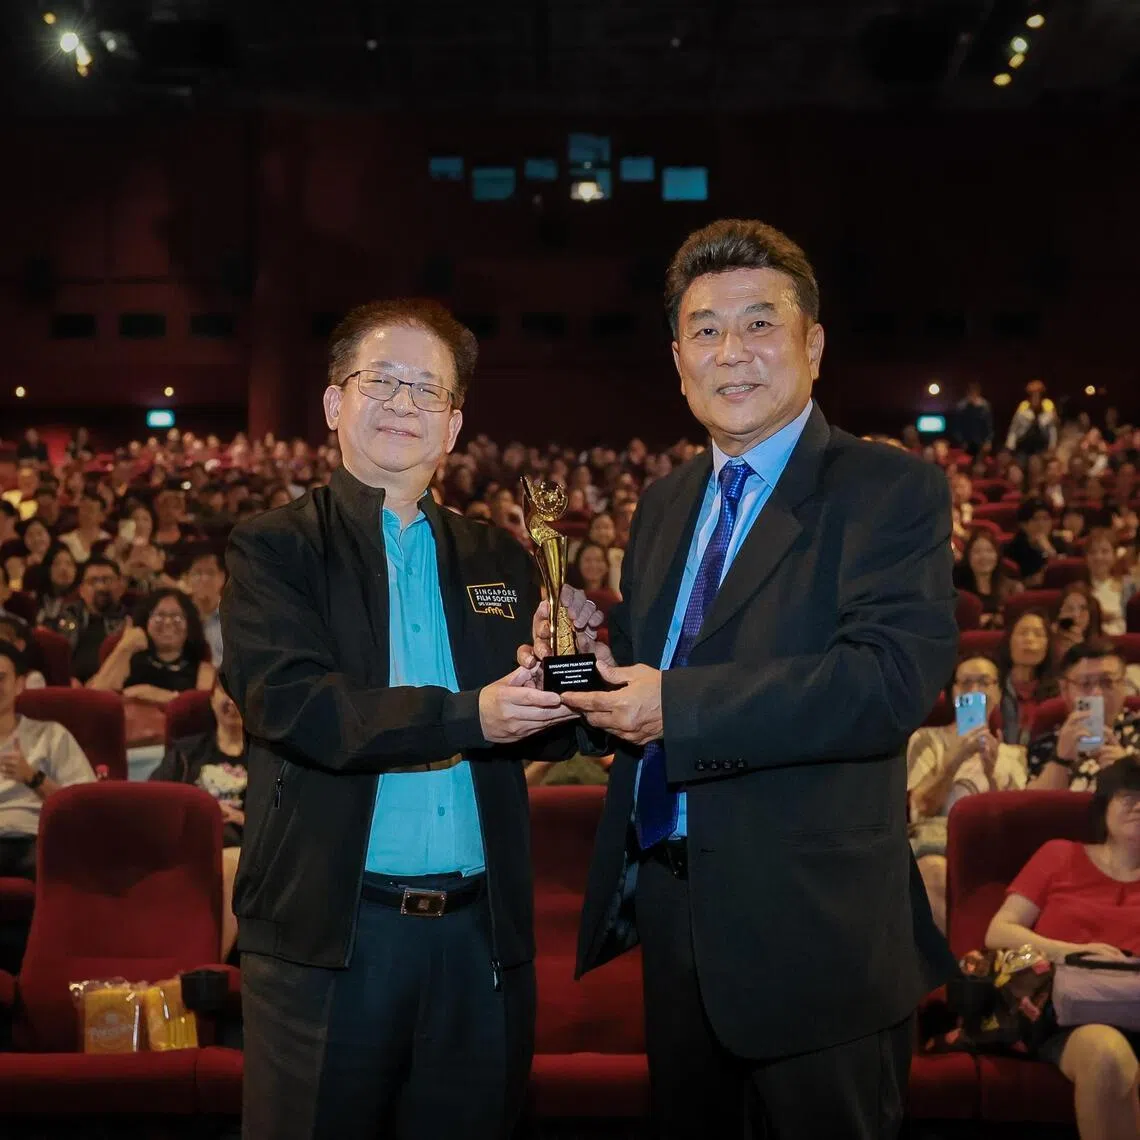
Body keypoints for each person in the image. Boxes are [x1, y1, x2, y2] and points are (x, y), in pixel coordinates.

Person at [525, 219, 958, 1139]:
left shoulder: (888, 490)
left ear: (814, 346)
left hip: (818, 937)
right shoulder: (666, 501)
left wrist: (673, 708)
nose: (733, 352)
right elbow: (647, 672)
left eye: (760, 324)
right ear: (678, 362)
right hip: (676, 917)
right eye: (707, 330)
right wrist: (577, 672)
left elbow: (887, 683)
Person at [220, 298, 585, 1140]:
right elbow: (296, 705)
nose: (402, 404)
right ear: (333, 403)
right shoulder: (276, 548)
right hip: (330, 938)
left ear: (454, 425)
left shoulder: (499, 556)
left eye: (428, 390)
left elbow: (551, 722)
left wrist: (573, 668)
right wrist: (469, 716)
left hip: (478, 942)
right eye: (379, 380)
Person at [986, 756, 1140, 1140]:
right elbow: (999, 932)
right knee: (1106, 1056)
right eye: (1128, 796)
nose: (1139, 806)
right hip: (1067, 1015)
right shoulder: (1059, 855)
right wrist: (1070, 951)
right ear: (1104, 804)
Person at [906, 656, 1026, 931]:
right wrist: (954, 760)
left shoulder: (1014, 754)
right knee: (934, 870)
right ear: (953, 692)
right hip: (937, 837)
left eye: (984, 682)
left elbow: (1013, 822)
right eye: (965, 683)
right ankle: (963, 956)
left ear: (998, 692)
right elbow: (920, 808)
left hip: (991, 841)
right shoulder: (925, 739)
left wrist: (991, 773)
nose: (974, 691)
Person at [150, 678, 246, 960]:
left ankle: (209, 964)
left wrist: (242, 817)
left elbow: (281, 817)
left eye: (237, 693)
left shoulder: (268, 759)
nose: (230, 701)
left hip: (239, 846)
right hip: (185, 842)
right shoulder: (185, 752)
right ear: (212, 698)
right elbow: (152, 800)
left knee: (231, 862)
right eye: (223, 691)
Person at [0, 643, 95, 879]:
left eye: (0, 678)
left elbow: (85, 806)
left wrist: (33, 778)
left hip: (34, 840)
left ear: (19, 684)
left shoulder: (51, 735)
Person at [1027, 640, 1139, 791]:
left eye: (1107, 682)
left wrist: (1129, 771)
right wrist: (1060, 760)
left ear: (1123, 686)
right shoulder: (1046, 744)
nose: (1097, 693)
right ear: (1064, 689)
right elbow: (1035, 804)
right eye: (1085, 684)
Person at [88, 589, 214, 703]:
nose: (168, 622)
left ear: (189, 625)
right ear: (146, 621)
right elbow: (95, 700)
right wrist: (125, 646)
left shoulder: (201, 667)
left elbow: (205, 708)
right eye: (159, 616)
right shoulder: (129, 657)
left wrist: (159, 695)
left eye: (177, 617)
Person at [45, 557, 129, 684]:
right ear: (82, 590)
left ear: (120, 587)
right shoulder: (66, 617)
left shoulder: (131, 622)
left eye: (107, 580)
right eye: (93, 581)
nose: (101, 587)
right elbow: (53, 660)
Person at [997, 610, 1055, 746]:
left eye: (1038, 634)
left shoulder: (1060, 692)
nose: (1029, 639)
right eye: (1023, 633)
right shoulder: (991, 686)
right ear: (1009, 641)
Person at [953, 528, 1021, 627]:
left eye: (989, 551)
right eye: (977, 552)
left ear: (997, 555)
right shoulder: (956, 590)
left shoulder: (1013, 588)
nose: (984, 557)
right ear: (968, 556)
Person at [1085, 527, 1136, 637]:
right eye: (1093, 552)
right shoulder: (1078, 590)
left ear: (1114, 555)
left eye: (1105, 551)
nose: (1098, 557)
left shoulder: (1129, 586)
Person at [184, 550, 226, 668]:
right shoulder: (179, 616)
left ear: (222, 578)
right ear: (187, 578)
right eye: (197, 573)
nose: (204, 579)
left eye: (210, 573)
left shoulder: (235, 616)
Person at [1005, 498, 1058, 586]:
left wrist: (1049, 551)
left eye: (1046, 519)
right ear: (1023, 525)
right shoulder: (1013, 549)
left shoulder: (1060, 543)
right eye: (1035, 519)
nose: (1041, 525)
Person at [1051, 582, 1103, 668]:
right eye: (1069, 608)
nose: (1076, 615)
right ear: (1059, 614)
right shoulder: (1048, 645)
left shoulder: (1102, 649)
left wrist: (1080, 649)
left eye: (1083, 609)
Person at [1005, 379, 1058, 460]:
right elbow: (1013, 429)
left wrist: (1052, 447)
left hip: (1042, 447)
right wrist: (1010, 447)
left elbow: (1052, 431)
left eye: (1038, 394)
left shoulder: (1048, 409)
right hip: (1023, 446)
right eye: (1033, 395)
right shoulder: (1023, 408)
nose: (1035, 397)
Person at [59, 489, 111, 565]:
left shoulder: (109, 541)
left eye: (90, 510)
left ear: (102, 516)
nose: (85, 513)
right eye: (83, 509)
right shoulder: (65, 541)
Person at [30, 545, 78, 626]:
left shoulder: (81, 600)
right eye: (57, 564)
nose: (64, 569)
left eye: (69, 564)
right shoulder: (34, 599)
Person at [952, 381, 994, 456]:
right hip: (966, 442)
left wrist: (988, 441)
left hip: (981, 442)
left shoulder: (985, 406)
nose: (973, 396)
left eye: (975, 393)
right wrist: (962, 441)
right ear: (967, 393)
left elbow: (989, 426)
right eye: (971, 393)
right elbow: (957, 427)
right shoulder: (961, 407)